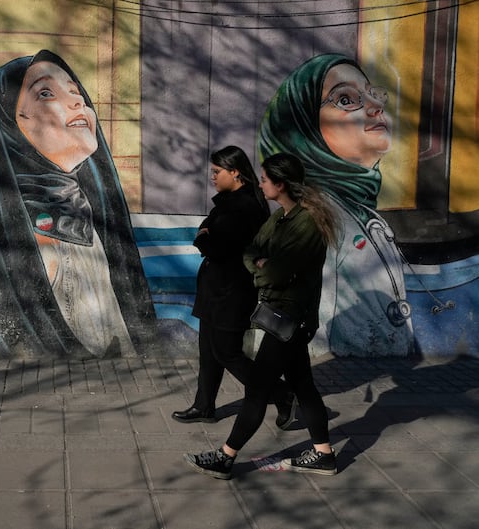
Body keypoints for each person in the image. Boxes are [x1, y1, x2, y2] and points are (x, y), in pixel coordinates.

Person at [0, 50, 157, 358]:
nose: (78, 101)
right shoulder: (7, 236)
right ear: (7, 125)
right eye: (46, 93)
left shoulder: (90, 216)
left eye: (76, 91)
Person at [184, 153, 340, 479]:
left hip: (291, 317)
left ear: (280, 184)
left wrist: (263, 269)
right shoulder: (282, 216)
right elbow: (251, 251)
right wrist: (261, 264)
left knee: (256, 390)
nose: (262, 183)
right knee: (304, 385)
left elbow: (277, 272)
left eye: (266, 179)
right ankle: (324, 453)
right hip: (281, 315)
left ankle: (225, 457)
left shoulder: (306, 223)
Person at [258, 54, 413, 356]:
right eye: (345, 99)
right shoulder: (317, 213)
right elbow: (310, 298)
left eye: (372, 93)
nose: (376, 106)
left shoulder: (357, 207)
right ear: (304, 131)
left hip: (367, 362)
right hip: (337, 362)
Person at [172, 146, 296, 429]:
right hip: (216, 290)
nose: (213, 177)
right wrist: (206, 234)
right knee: (208, 351)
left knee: (227, 352)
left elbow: (216, 246)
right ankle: (204, 406)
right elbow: (208, 229)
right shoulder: (230, 203)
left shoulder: (244, 208)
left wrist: (204, 238)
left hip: (233, 292)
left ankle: (282, 394)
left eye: (217, 172)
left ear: (235, 172)